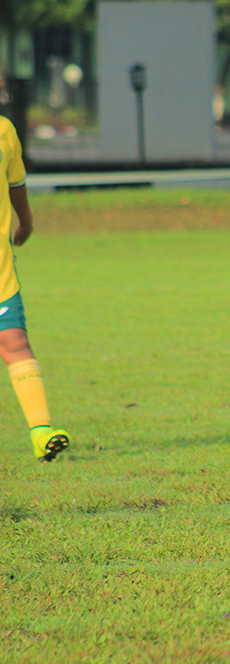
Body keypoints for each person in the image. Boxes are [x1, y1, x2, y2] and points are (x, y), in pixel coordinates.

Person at [0, 115, 71, 462]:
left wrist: (26, 222)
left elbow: (16, 185)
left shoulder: (3, 130)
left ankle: (41, 432)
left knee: (15, 342)